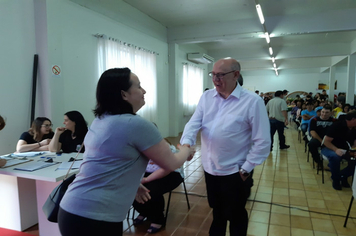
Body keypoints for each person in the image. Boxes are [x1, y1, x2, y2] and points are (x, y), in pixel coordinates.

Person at [58, 68, 193, 236]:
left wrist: (133, 183)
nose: (144, 91)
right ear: (123, 94)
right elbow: (171, 163)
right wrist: (186, 149)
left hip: (71, 210)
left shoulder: (100, 120)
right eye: (139, 86)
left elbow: (106, 163)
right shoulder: (136, 124)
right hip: (96, 218)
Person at [180, 58, 271, 236]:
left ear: (236, 75)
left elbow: (263, 141)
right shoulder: (207, 97)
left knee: (236, 214)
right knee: (217, 212)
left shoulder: (252, 102)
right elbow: (193, 124)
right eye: (213, 74)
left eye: (220, 75)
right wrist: (186, 144)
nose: (215, 79)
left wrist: (246, 169)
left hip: (235, 171)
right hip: (210, 168)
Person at [132, 139, 184, 233]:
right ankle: (144, 211)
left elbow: (167, 168)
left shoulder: (164, 146)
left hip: (171, 172)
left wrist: (146, 179)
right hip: (148, 172)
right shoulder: (136, 146)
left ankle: (158, 219)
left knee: (151, 190)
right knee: (131, 187)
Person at [321, 111, 356, 190]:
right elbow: (326, 141)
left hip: (346, 149)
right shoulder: (337, 125)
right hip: (329, 148)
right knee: (335, 156)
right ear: (353, 119)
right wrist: (336, 149)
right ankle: (336, 180)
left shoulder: (354, 128)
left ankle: (343, 175)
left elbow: (354, 143)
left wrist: (354, 151)